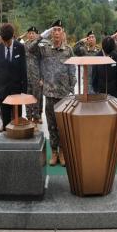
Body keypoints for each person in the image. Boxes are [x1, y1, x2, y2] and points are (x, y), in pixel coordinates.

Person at [27, 19, 76, 167]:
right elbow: (29, 48)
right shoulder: (45, 48)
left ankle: (62, 152)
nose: (56, 32)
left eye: (59, 30)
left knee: (63, 126)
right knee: (52, 125)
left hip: (63, 94)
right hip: (49, 93)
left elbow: (72, 70)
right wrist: (42, 36)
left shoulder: (68, 50)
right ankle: (54, 152)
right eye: (54, 30)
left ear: (63, 33)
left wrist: (71, 86)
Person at [0, 23, 27, 131]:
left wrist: (24, 91)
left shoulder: (20, 47)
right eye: (4, 41)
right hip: (3, 90)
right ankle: (6, 133)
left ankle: (17, 140)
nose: (6, 44)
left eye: (8, 41)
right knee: (6, 119)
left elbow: (23, 70)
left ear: (13, 37)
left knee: (17, 118)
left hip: (16, 90)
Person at [21, 26, 43, 124]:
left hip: (36, 77)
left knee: (36, 98)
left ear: (36, 35)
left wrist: (42, 78)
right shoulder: (24, 45)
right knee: (27, 98)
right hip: (26, 77)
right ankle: (29, 118)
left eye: (33, 33)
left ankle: (36, 118)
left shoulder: (39, 46)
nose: (31, 35)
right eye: (29, 33)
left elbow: (42, 62)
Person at [73, 30, 99, 94]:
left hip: (97, 80)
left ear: (95, 39)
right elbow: (75, 50)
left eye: (93, 37)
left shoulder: (99, 52)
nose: (91, 39)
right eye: (89, 37)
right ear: (87, 40)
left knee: (97, 101)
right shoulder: (84, 51)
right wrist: (81, 41)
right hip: (87, 81)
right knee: (87, 101)